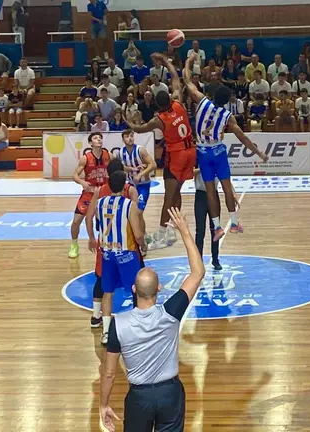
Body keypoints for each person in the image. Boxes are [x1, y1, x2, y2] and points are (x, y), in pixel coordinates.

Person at [100, 207, 205, 432]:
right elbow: (197, 273)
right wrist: (185, 231)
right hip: (170, 394)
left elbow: (109, 372)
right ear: (159, 288)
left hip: (139, 397)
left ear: (133, 289)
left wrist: (104, 404)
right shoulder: (171, 312)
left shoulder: (118, 324)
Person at [183, 52, 268, 240]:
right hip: (218, 150)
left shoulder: (202, 101)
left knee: (211, 191)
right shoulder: (227, 116)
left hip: (203, 152)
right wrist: (259, 153)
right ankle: (235, 223)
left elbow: (186, 79)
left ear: (212, 95)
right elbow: (243, 138)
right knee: (227, 188)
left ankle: (217, 227)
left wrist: (189, 62)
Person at [128, 53, 196, 249]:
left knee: (168, 195)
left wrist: (129, 122)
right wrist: (166, 61)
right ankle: (172, 228)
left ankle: (162, 234)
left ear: (158, 105)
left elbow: (140, 129)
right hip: (191, 152)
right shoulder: (179, 102)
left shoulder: (159, 119)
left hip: (177, 156)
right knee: (177, 192)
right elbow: (175, 78)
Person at [87, 170, 145, 345]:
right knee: (137, 290)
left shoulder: (100, 203)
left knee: (108, 292)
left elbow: (97, 221)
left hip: (106, 253)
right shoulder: (130, 205)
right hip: (126, 253)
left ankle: (105, 332)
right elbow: (137, 233)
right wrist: (143, 244)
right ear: (125, 185)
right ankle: (138, 328)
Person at [69, 132, 110, 258]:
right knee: (76, 221)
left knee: (106, 223)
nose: (99, 139)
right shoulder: (86, 158)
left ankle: (106, 245)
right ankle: (74, 245)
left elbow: (119, 167)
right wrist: (82, 182)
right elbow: (74, 175)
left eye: (100, 138)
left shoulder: (108, 155)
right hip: (89, 193)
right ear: (91, 143)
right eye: (96, 138)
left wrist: (131, 169)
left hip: (104, 193)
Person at [118, 129, 156, 246]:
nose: (130, 138)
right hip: (130, 185)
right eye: (127, 136)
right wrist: (132, 169)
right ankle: (142, 235)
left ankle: (142, 238)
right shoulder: (120, 152)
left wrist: (140, 174)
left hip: (143, 185)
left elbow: (153, 164)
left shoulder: (140, 150)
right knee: (134, 212)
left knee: (138, 211)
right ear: (123, 139)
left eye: (131, 136)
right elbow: (121, 167)